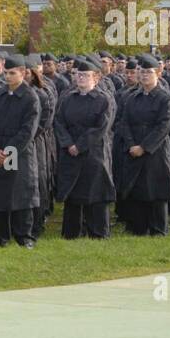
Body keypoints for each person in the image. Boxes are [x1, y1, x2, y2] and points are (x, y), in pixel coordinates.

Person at [53, 58, 115, 238]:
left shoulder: (104, 100)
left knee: (96, 193)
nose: (81, 78)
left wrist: (79, 145)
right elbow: (59, 122)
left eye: (85, 75)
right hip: (70, 152)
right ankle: (71, 233)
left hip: (93, 153)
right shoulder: (68, 99)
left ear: (96, 77)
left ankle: (98, 232)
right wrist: (68, 144)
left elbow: (101, 127)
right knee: (73, 193)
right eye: (78, 75)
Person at [0, 56, 40, 247]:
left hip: (18, 153)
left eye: (12, 73)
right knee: (0, 195)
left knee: (20, 194)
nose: (8, 76)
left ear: (23, 73)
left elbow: (28, 131)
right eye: (6, 73)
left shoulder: (30, 97)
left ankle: (24, 237)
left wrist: (7, 152)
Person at [116, 55, 170, 235]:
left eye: (149, 72)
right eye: (141, 72)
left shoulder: (165, 98)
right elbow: (123, 123)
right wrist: (131, 144)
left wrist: (144, 147)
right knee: (137, 189)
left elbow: (163, 126)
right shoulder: (132, 97)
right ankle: (138, 228)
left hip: (155, 151)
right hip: (133, 149)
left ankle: (158, 229)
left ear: (158, 72)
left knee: (157, 191)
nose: (144, 76)